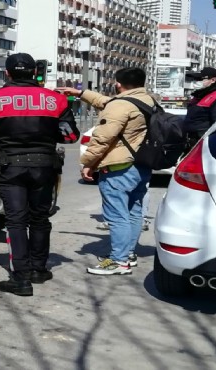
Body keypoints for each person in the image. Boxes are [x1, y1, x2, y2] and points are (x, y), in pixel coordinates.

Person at [0, 53, 79, 296]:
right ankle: (38, 270)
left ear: (7, 73)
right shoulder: (55, 100)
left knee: (16, 222)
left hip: (11, 168)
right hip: (45, 167)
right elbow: (71, 136)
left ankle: (20, 278)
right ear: (34, 72)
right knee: (40, 219)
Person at [58, 67, 153, 275]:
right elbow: (107, 103)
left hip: (119, 167)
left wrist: (88, 163)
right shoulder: (147, 100)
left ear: (118, 84)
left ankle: (118, 261)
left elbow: (102, 138)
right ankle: (127, 254)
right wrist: (81, 93)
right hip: (141, 164)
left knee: (117, 215)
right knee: (134, 212)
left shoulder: (120, 105)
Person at [184, 67, 216, 150]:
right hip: (192, 144)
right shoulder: (199, 96)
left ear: (213, 80)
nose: (196, 81)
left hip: (208, 146)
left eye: (200, 79)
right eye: (195, 79)